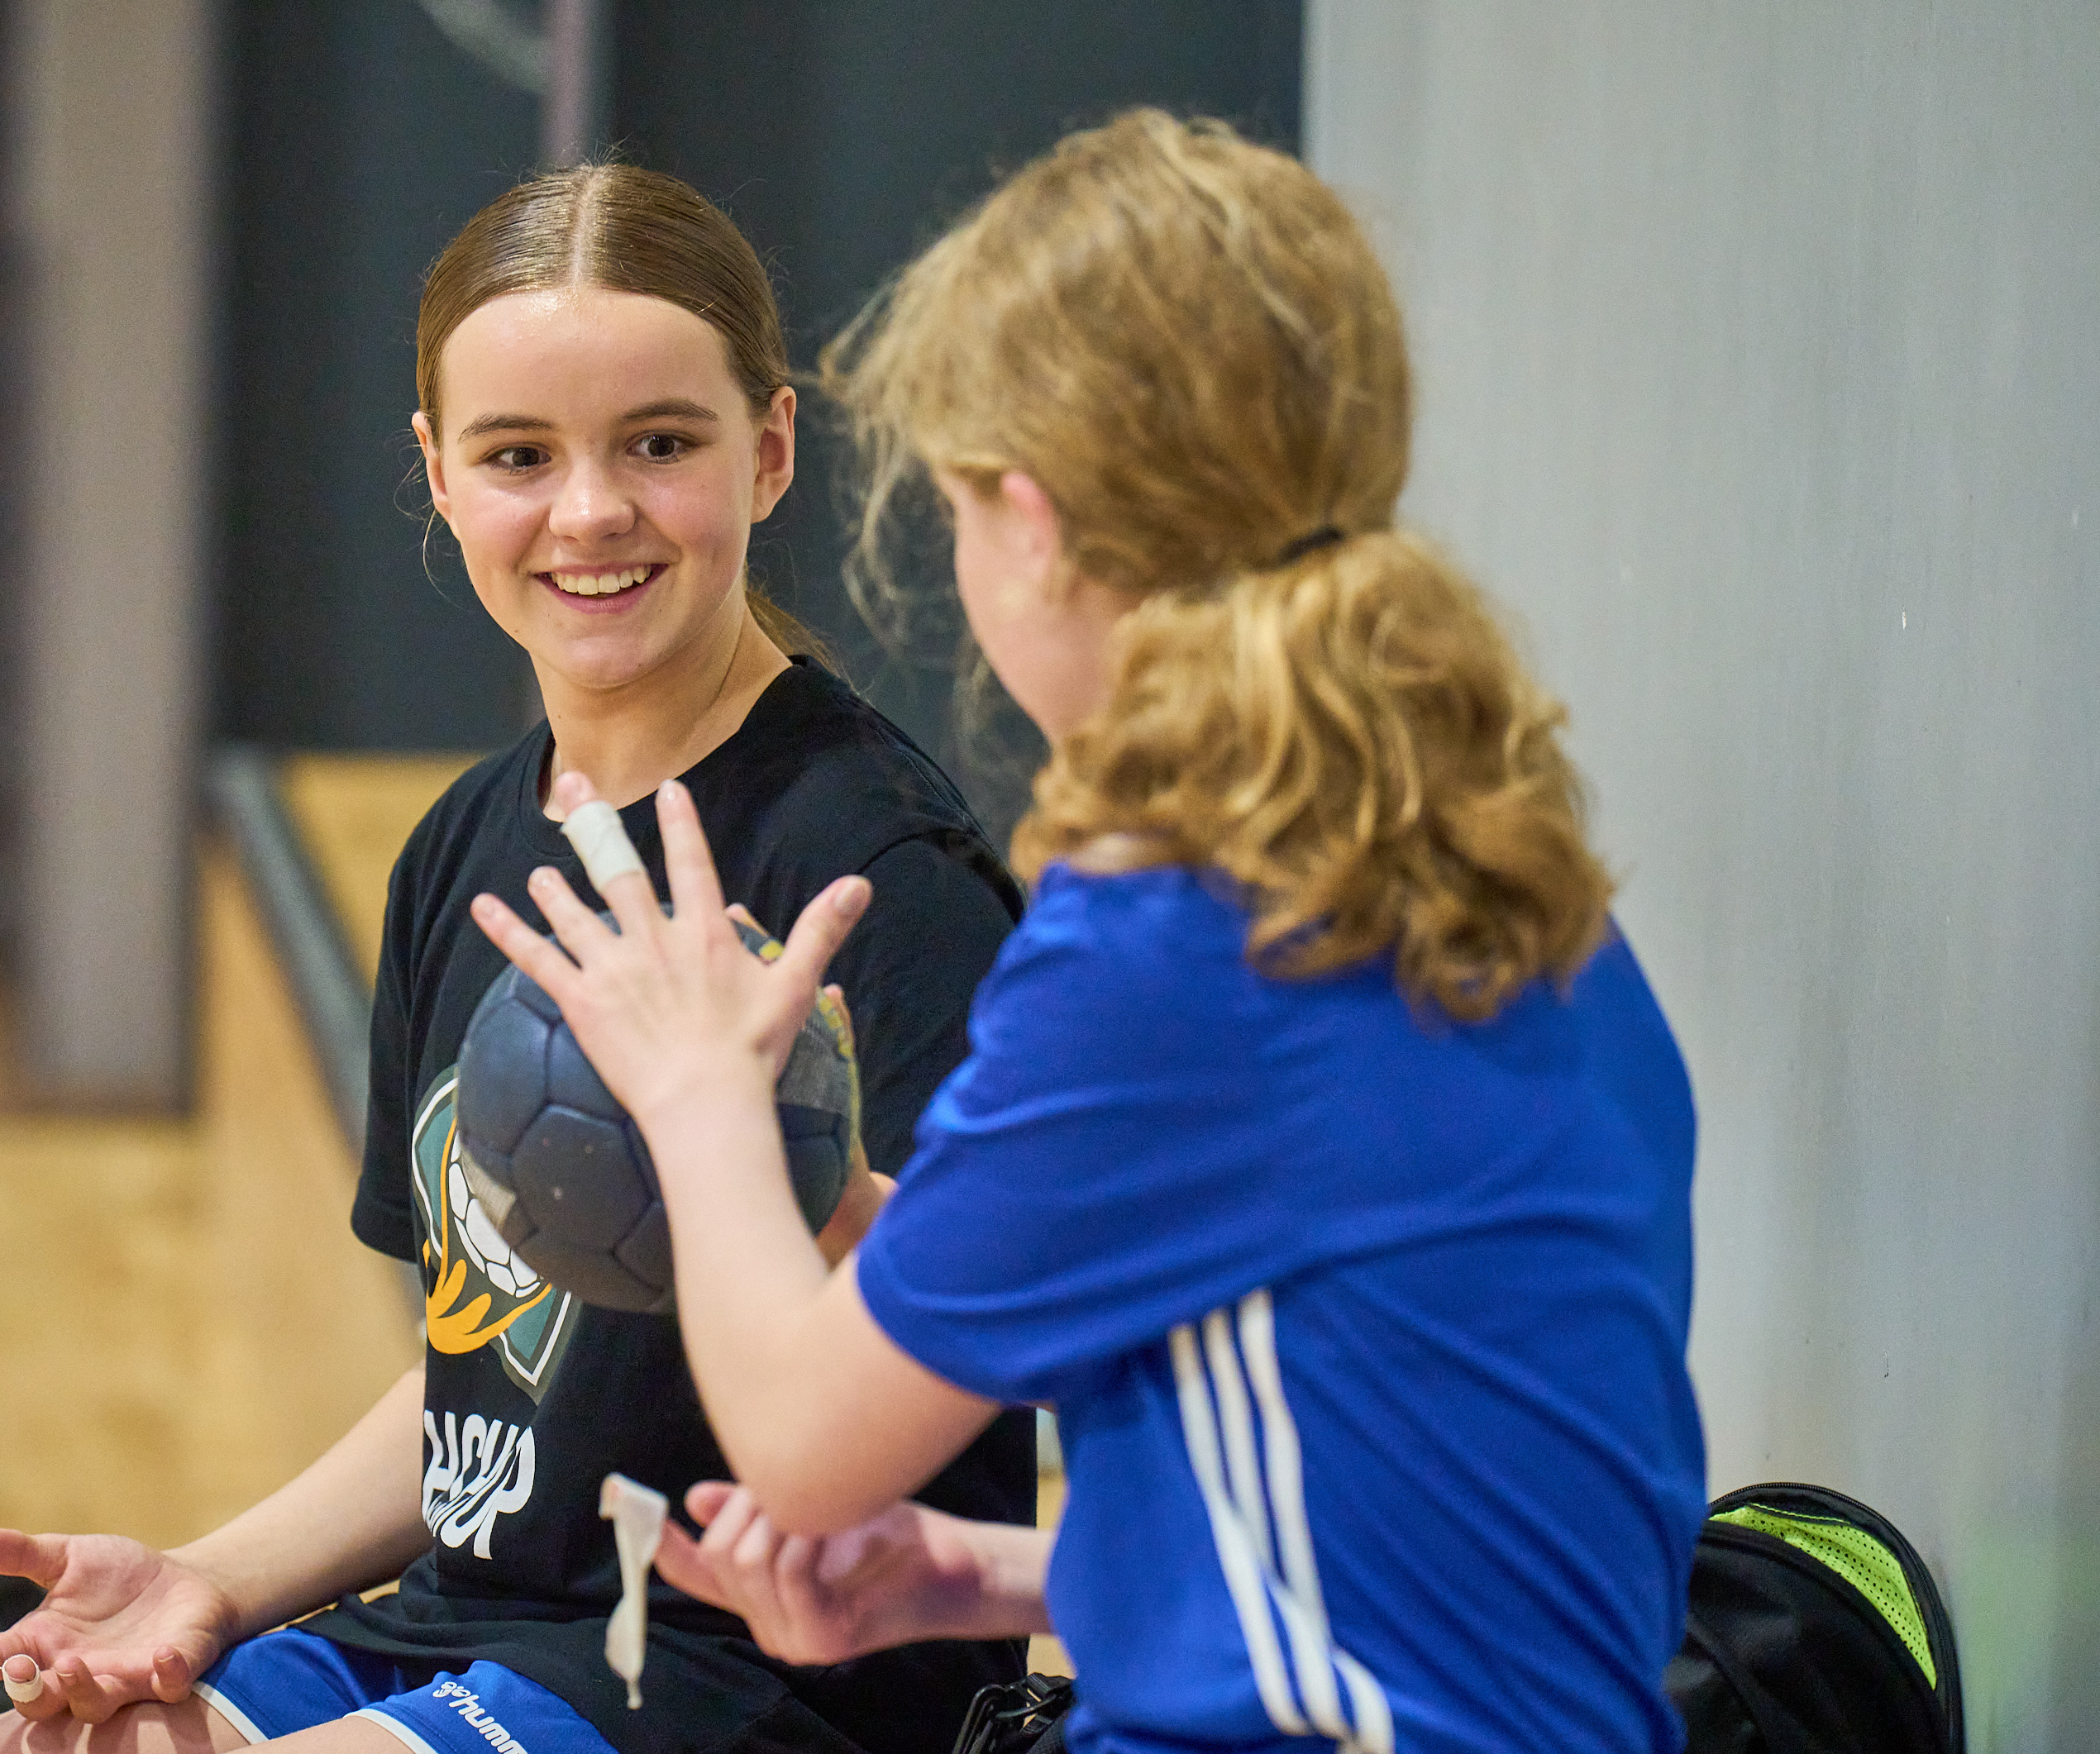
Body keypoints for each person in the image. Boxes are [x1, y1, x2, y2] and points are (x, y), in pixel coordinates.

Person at [473, 112, 1711, 1754]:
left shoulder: (1179, 933)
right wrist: (976, 1573)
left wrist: (700, 1094)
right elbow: (1420, 1525)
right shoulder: (1505, 870)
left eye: (959, 508)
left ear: (1033, 518)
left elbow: (799, 1444)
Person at [0, 168, 1034, 1754]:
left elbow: (956, 1360)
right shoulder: (462, 848)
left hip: (743, 1675)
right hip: (458, 1622)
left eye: (660, 443)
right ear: (439, 477)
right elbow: (494, 1373)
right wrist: (208, 1580)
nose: (589, 512)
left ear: (772, 449)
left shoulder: (880, 879)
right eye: (520, 455)